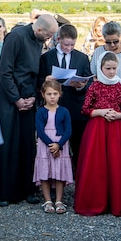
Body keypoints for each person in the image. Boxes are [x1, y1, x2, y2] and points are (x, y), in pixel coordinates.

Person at [0, 14, 58, 207]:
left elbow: (33, 72)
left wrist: (33, 95)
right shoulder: (16, 36)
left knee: (26, 145)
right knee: (8, 144)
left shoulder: (38, 40)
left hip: (28, 96)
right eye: (48, 35)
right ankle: (4, 191)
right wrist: (16, 99)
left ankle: (27, 189)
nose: (48, 40)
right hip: (8, 99)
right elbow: (5, 71)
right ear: (39, 29)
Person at [74, 52, 121, 217]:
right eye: (108, 68)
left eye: (114, 68)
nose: (112, 72)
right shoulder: (95, 86)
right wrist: (101, 112)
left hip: (116, 129)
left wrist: (118, 115)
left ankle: (117, 201)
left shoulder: (120, 86)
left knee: (116, 163)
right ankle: (97, 200)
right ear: (100, 68)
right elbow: (85, 109)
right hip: (97, 130)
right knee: (97, 164)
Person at [37, 24, 92, 173]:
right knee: (54, 145)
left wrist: (80, 86)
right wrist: (45, 79)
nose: (69, 48)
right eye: (66, 44)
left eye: (72, 45)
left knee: (79, 147)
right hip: (53, 109)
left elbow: (89, 83)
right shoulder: (46, 58)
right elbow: (37, 81)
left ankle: (80, 181)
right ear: (59, 39)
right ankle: (53, 179)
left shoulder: (82, 58)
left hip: (76, 109)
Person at [34, 80, 74, 214]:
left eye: (55, 93)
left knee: (59, 172)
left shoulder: (64, 111)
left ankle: (58, 200)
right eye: (49, 94)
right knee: (45, 172)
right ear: (43, 95)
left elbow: (68, 130)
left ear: (60, 94)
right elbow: (39, 131)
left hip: (60, 143)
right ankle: (47, 201)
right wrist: (51, 146)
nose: (52, 97)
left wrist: (59, 145)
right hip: (45, 144)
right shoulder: (40, 112)